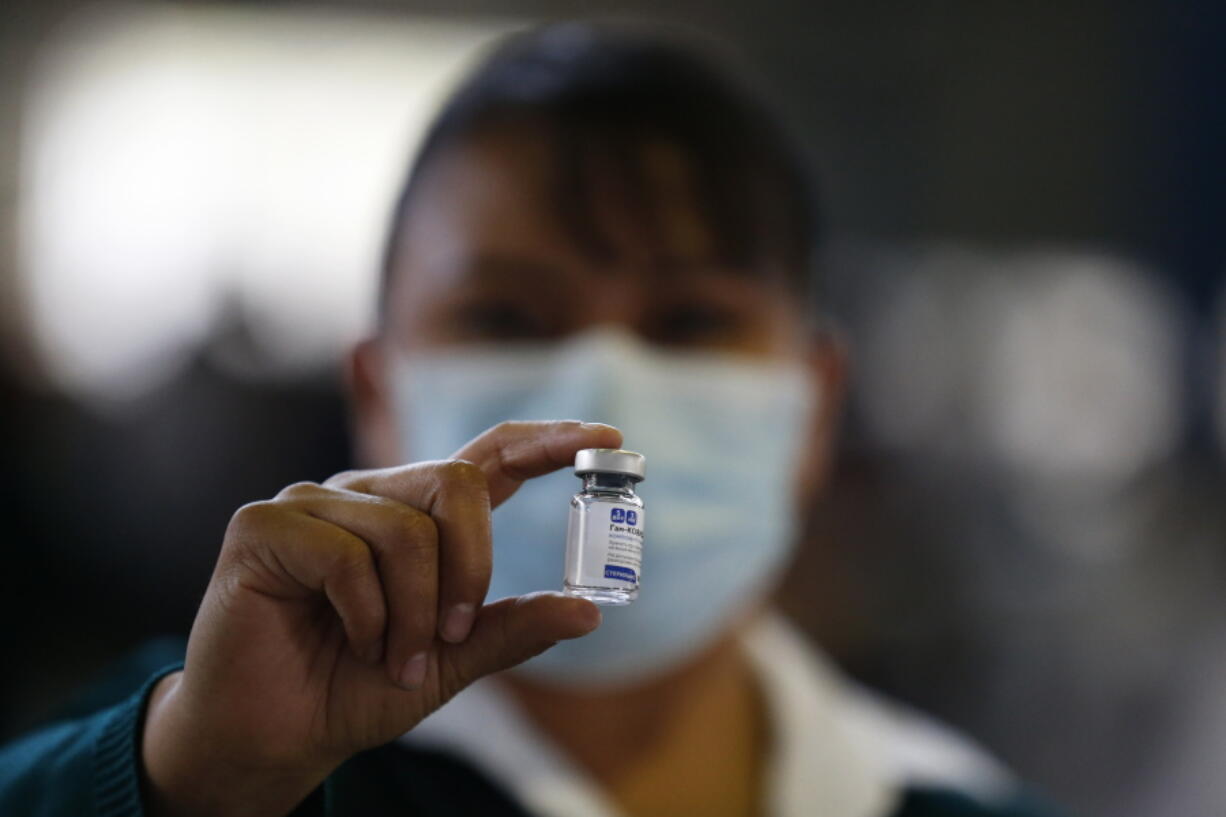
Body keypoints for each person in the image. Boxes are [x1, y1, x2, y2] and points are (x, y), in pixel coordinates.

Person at [0, 21, 1064, 817]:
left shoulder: (949, 803)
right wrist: (201, 780)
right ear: (376, 393)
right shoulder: (196, 745)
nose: (599, 397)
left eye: (689, 320)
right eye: (505, 315)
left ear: (814, 403)